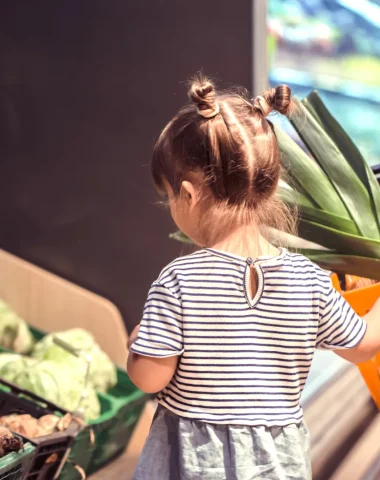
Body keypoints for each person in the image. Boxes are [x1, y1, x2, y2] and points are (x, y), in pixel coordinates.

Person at [127, 74, 380, 480]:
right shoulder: (309, 279)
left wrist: (141, 345)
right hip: (277, 463)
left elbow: (149, 376)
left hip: (195, 462)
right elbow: (362, 347)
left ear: (189, 194)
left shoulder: (179, 279)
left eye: (169, 195)